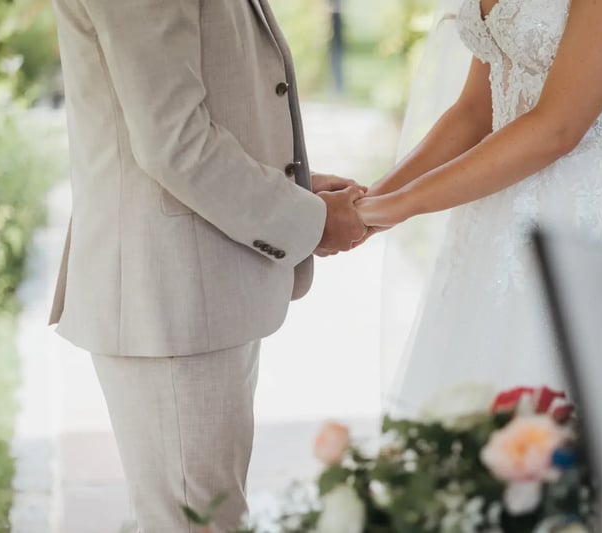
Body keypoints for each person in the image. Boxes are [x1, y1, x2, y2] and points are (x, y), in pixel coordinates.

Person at [48, 0, 366, 531]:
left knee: (204, 514)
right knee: (195, 521)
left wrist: (293, 191)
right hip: (171, 291)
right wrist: (306, 220)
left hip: (199, 277)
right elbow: (174, 141)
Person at [353, 0, 602, 414]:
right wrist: (371, 201)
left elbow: (558, 128)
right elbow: (475, 112)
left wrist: (402, 205)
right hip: (492, 221)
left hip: (589, 222)